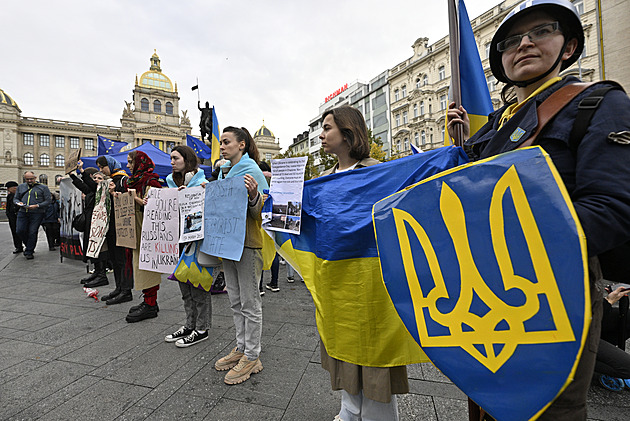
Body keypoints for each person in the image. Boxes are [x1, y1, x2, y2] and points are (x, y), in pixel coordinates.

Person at [447, 0, 630, 419]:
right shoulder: (495, 126)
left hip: (556, 290)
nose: (524, 44)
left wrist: (507, 242)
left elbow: (612, 209)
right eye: (511, 40)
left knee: (547, 409)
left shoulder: (599, 103)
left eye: (541, 31)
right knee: (487, 401)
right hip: (486, 288)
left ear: (568, 47)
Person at [317, 105, 406, 421]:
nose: (321, 134)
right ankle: (349, 412)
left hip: (370, 282)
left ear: (348, 131)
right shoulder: (323, 180)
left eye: (328, 127)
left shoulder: (376, 172)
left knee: (372, 353)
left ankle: (379, 416)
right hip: (336, 284)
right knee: (344, 350)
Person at [213, 126, 268, 385]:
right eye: (221, 142)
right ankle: (241, 347)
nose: (222, 146)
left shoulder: (252, 171)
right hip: (227, 244)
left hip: (247, 244)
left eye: (226, 142)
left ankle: (252, 356)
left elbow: (262, 213)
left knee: (250, 302)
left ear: (242, 145)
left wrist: (256, 194)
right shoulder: (225, 173)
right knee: (235, 300)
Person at [163, 145, 213, 346]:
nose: (172, 162)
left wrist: (200, 195)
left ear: (187, 159)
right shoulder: (169, 182)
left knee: (198, 286)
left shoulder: (203, 183)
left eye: (175, 158)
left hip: (197, 243)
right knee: (184, 287)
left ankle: (202, 328)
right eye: (171, 158)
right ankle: (189, 325)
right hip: (178, 240)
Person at [124, 151, 163, 323]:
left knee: (147, 267)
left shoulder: (151, 181)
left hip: (148, 233)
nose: (128, 166)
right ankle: (148, 301)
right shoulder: (134, 181)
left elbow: (156, 207)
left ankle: (150, 304)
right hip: (137, 230)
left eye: (131, 162)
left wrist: (136, 199)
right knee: (140, 266)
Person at [96, 155, 134, 305]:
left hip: (122, 227)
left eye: (102, 167)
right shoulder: (108, 180)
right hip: (111, 226)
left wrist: (114, 192)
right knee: (115, 259)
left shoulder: (123, 179)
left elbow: (128, 198)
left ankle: (126, 290)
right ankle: (119, 287)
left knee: (122, 260)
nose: (101, 170)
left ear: (110, 165)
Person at [14, 171, 52, 260]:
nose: (30, 180)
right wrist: (18, 203)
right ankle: (29, 245)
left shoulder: (43, 187)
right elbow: (15, 198)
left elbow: (48, 201)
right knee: (20, 230)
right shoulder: (21, 187)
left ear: (35, 178)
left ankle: (29, 251)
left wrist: (37, 205)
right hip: (23, 211)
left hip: (37, 213)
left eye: (31, 179)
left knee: (32, 231)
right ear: (25, 179)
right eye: (27, 179)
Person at [5, 181, 24, 254]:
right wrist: (8, 214)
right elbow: (8, 206)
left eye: (8, 188)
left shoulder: (20, 195)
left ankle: (28, 245)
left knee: (22, 231)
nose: (7, 190)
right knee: (14, 231)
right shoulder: (9, 196)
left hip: (20, 216)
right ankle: (18, 246)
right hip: (12, 216)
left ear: (14, 188)